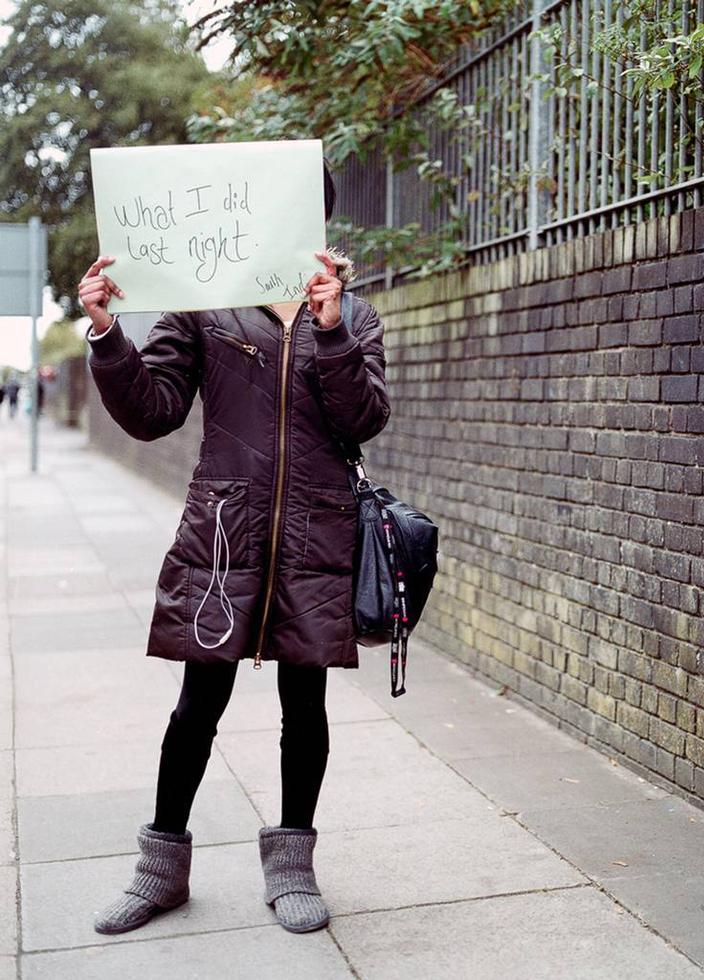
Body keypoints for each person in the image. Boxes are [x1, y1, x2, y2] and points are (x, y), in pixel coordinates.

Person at [78, 163, 390, 936]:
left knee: (304, 706)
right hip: (226, 532)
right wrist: (108, 335)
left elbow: (367, 416)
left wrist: (330, 329)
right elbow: (152, 412)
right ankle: (161, 869)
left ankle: (291, 869)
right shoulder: (207, 309)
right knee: (198, 704)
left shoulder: (352, 313)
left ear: (314, 218)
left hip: (317, 532)